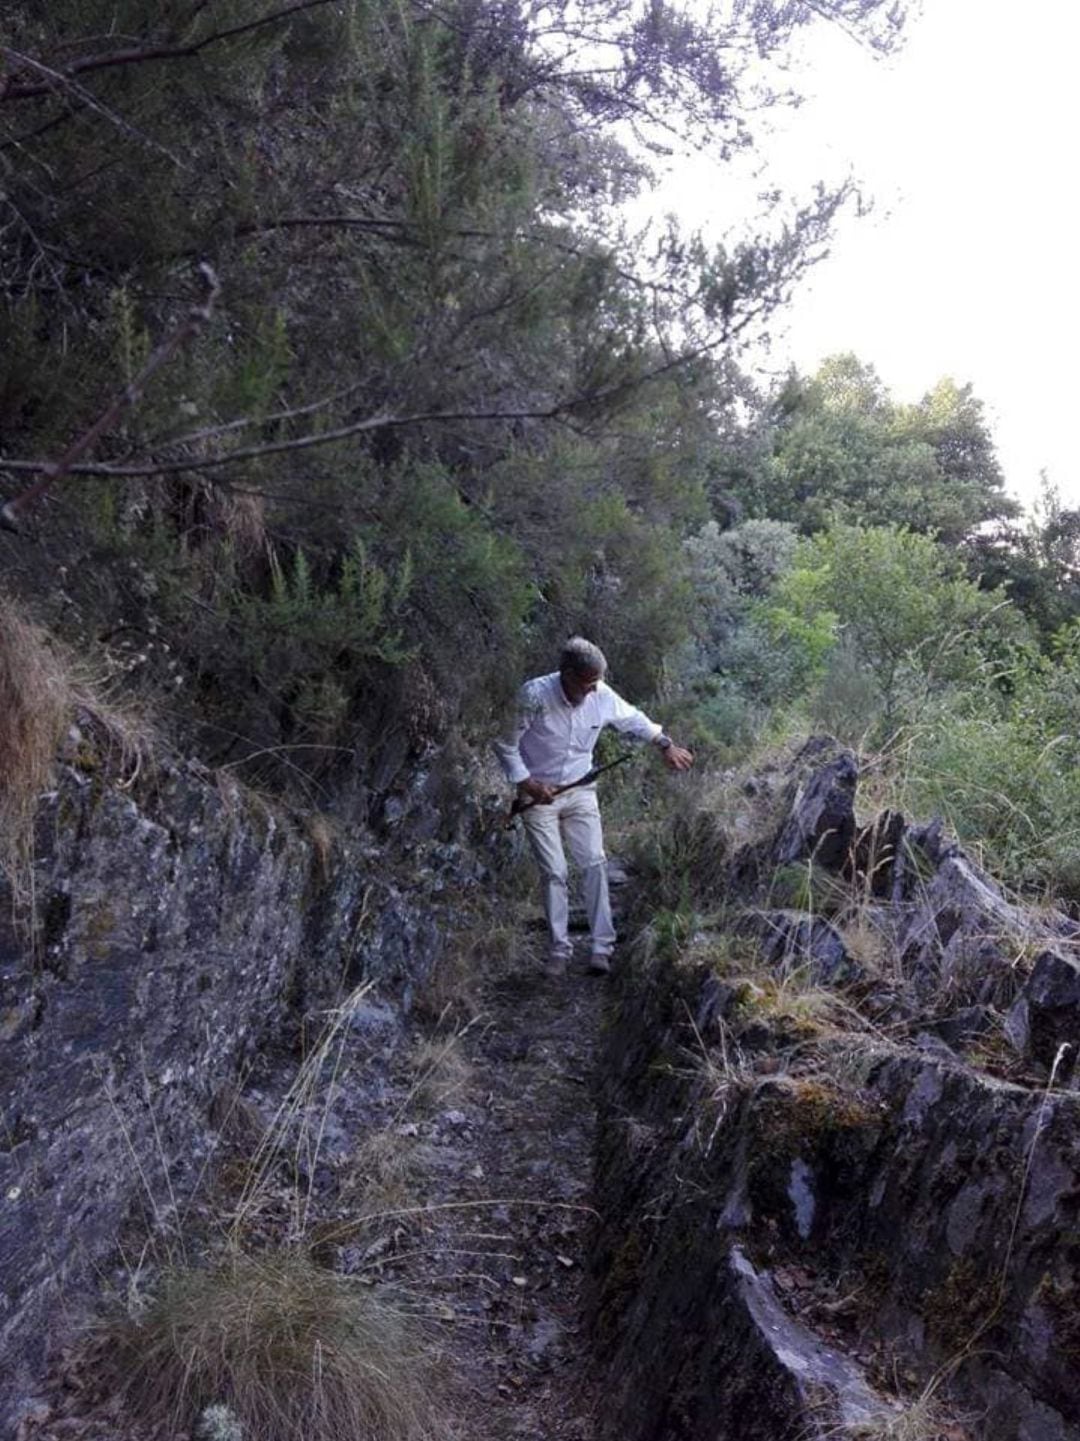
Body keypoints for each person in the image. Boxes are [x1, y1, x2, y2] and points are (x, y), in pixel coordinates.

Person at [493, 637, 694, 976]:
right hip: (537, 795)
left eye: (594, 685)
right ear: (565, 674)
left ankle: (602, 947)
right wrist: (529, 785)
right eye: (585, 685)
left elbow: (633, 718)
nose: (590, 692)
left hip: (581, 790)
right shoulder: (533, 696)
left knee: (594, 863)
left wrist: (665, 744)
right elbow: (505, 744)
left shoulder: (600, 693)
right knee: (555, 871)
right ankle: (559, 949)